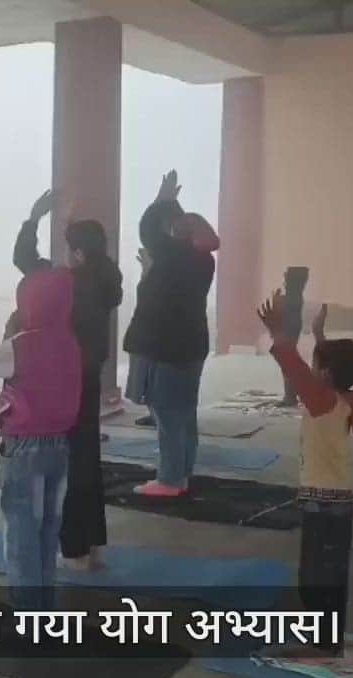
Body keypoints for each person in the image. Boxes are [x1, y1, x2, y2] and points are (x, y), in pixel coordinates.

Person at [14, 189, 123, 570]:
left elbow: (25, 260)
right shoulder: (107, 277)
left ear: (77, 253)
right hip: (90, 377)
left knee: (68, 463)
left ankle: (74, 549)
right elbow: (78, 258)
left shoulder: (67, 283)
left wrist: (33, 218)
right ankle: (92, 544)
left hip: (65, 380)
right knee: (87, 457)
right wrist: (70, 226)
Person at [0, 268, 82, 610]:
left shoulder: (22, 344)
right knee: (47, 533)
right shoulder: (70, 342)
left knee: (21, 536)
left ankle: (27, 617)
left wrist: (9, 336)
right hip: (60, 446)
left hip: (24, 448)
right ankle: (45, 610)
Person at [257, 293, 353, 640]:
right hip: (343, 500)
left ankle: (318, 639)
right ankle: (328, 636)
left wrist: (278, 332)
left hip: (319, 503)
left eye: (317, 364)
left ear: (324, 373)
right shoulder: (348, 402)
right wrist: (319, 334)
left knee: (314, 575)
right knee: (334, 572)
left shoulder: (320, 401)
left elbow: (294, 366)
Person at [122, 171, 219, 496]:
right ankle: (181, 472)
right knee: (183, 413)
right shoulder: (203, 260)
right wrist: (169, 205)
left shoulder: (178, 256)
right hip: (190, 345)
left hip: (168, 347)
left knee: (168, 414)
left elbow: (148, 229)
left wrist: (162, 201)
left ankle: (170, 479)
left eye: (178, 226)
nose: (172, 229)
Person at [277, 266, 309, 407]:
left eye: (287, 276)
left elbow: (283, 310)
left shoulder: (292, 296)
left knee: (287, 362)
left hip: (289, 328)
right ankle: (290, 395)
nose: (284, 278)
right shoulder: (295, 295)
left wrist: (279, 301)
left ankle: (290, 397)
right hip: (291, 327)